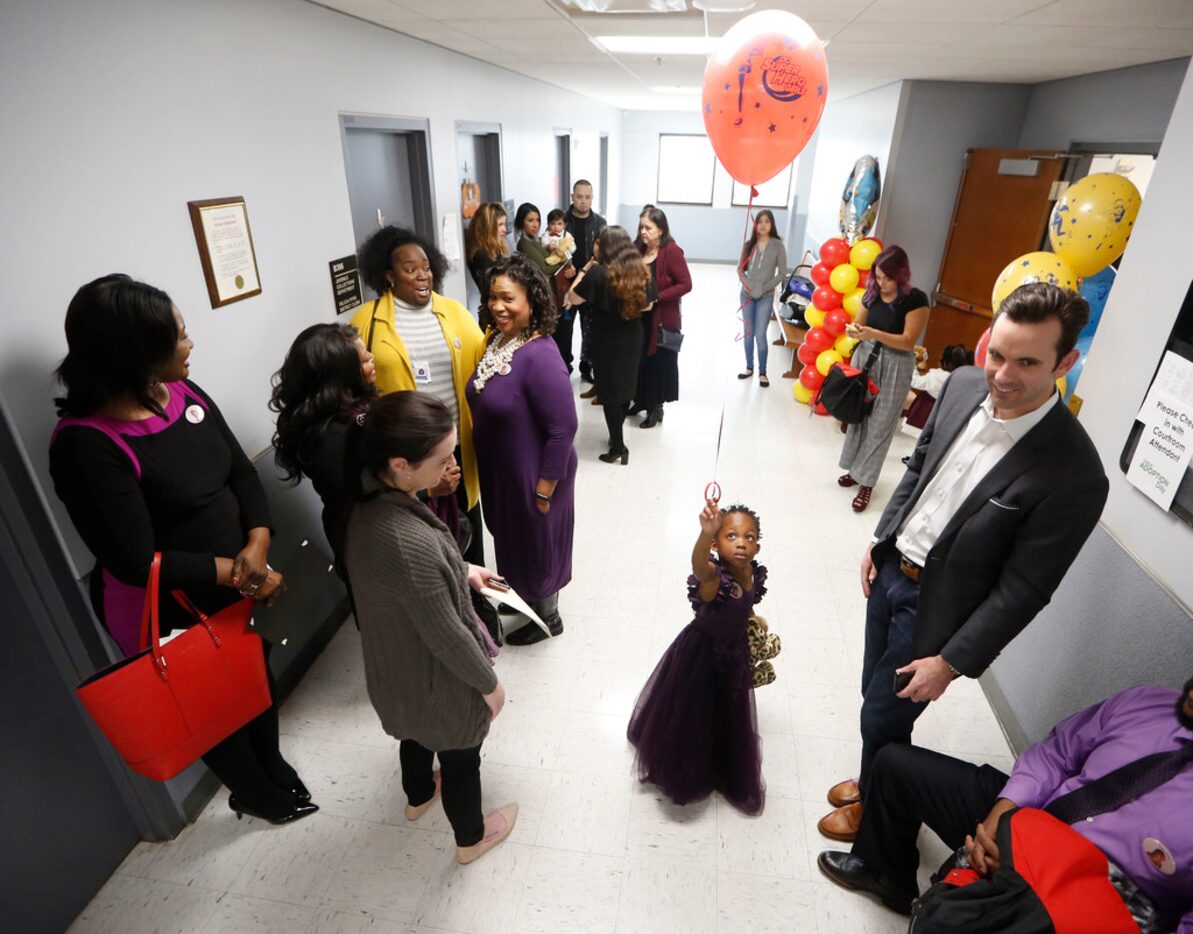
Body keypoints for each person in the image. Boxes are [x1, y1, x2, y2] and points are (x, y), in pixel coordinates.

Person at [816, 282, 1109, 845]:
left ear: (1066, 362)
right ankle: (872, 776)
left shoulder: (1074, 472)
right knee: (871, 695)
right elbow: (921, 465)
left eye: (1027, 363)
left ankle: (876, 811)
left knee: (883, 714)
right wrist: (884, 541)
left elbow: (1024, 589)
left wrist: (950, 661)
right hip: (892, 574)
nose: (1002, 374)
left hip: (937, 611)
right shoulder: (961, 385)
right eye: (997, 353)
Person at [49, 274, 315, 825]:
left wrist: (259, 542)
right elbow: (134, 559)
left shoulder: (187, 395)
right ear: (136, 354)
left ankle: (272, 764)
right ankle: (253, 791)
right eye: (179, 336)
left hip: (242, 579)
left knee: (254, 680)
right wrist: (241, 573)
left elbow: (241, 472)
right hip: (170, 604)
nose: (191, 344)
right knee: (207, 705)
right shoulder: (86, 444)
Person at [818, 679, 1193, 930]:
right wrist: (1003, 813)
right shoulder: (1147, 702)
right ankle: (886, 874)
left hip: (1097, 899)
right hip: (1033, 821)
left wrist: (1031, 873)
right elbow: (1056, 755)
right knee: (895, 763)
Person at [344, 391, 517, 865]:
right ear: (401, 464)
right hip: (435, 681)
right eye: (442, 458)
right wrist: (490, 685)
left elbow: (406, 582)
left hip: (396, 675)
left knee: (413, 737)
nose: (450, 466)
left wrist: (462, 571)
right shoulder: (408, 540)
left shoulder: (368, 503)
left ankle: (418, 794)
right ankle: (471, 839)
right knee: (462, 760)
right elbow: (446, 635)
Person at [349, 226, 499, 640]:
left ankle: (479, 606)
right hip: (408, 459)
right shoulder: (368, 321)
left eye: (427, 268)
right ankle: (439, 614)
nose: (421, 276)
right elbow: (357, 388)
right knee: (422, 535)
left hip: (455, 448)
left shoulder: (454, 312)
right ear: (389, 275)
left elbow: (486, 364)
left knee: (466, 523)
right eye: (409, 269)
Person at [627, 500, 768, 815]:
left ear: (757, 546)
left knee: (726, 709)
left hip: (734, 652)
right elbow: (699, 566)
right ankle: (689, 767)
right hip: (701, 655)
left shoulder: (750, 574)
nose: (741, 543)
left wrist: (753, 617)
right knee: (695, 712)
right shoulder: (715, 579)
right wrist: (705, 534)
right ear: (717, 544)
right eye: (731, 536)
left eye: (749, 537)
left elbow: (744, 604)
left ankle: (719, 757)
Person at [466, 254, 578, 646]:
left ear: (532, 300)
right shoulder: (499, 340)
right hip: (503, 471)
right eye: (493, 297)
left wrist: (545, 488)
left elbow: (564, 429)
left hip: (536, 475)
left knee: (537, 545)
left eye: (509, 298)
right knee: (511, 539)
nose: (498, 306)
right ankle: (523, 596)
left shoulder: (541, 355)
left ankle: (548, 616)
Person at [269, 323, 377, 575]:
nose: (373, 358)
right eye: (362, 360)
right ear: (340, 376)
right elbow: (370, 491)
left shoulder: (352, 410)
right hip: (365, 540)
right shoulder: (330, 436)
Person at [837, 245, 931, 512]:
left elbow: (907, 341)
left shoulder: (916, 300)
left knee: (882, 423)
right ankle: (854, 470)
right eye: (878, 277)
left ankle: (867, 483)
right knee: (859, 417)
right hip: (866, 359)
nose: (882, 283)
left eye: (887, 279)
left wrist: (873, 334)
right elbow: (859, 324)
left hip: (896, 365)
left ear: (901, 276)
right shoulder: (872, 293)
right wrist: (854, 331)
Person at [568, 226, 652, 465]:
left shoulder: (598, 274)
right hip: (633, 336)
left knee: (608, 392)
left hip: (607, 339)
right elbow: (648, 305)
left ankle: (618, 445)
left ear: (605, 247)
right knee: (625, 387)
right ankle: (617, 436)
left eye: (598, 242)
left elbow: (573, 298)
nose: (595, 246)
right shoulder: (639, 272)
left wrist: (584, 269)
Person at [633, 206, 692, 428]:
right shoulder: (637, 249)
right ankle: (640, 400)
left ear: (661, 229)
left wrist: (657, 298)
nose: (643, 232)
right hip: (638, 317)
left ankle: (655, 407)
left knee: (657, 363)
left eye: (648, 227)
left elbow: (686, 284)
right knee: (639, 360)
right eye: (641, 227)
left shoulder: (672, 251)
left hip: (661, 318)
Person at [737, 210, 787, 388]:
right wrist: (749, 286)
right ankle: (749, 367)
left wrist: (764, 288)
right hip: (747, 295)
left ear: (772, 224)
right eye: (760, 221)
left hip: (765, 297)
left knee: (760, 335)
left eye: (767, 221)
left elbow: (781, 273)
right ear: (755, 225)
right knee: (748, 334)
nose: (763, 225)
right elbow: (740, 270)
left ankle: (763, 372)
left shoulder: (778, 246)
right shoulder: (748, 245)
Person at [564, 179, 607, 386]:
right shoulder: (562, 220)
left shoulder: (600, 223)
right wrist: (567, 267)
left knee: (589, 327)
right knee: (565, 326)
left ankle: (586, 365)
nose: (583, 201)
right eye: (579, 197)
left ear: (592, 198)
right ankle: (565, 364)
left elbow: (606, 252)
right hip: (566, 283)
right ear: (572, 197)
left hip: (591, 284)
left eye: (587, 197)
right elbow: (551, 249)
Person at [903, 343, 971, 433]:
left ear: (945, 362)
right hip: (944, 414)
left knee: (916, 438)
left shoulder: (937, 376)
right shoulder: (961, 379)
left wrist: (916, 362)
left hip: (926, 411)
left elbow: (915, 381)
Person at [465, 202, 510, 292]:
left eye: (504, 224)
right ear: (488, 227)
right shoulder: (481, 255)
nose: (504, 229)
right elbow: (492, 288)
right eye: (500, 225)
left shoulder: (495, 249)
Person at [513, 202, 552, 275]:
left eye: (537, 220)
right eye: (530, 220)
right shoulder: (524, 243)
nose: (535, 225)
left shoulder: (539, 240)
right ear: (521, 222)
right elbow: (545, 269)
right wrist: (564, 261)